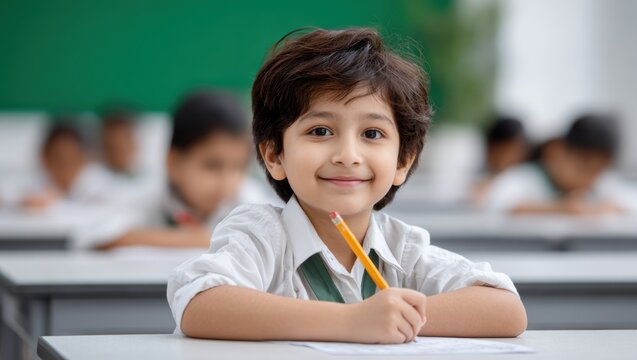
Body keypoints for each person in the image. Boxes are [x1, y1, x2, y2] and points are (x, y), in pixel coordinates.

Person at [168, 28, 526, 344]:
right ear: (275, 154)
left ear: (402, 160)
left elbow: (506, 309)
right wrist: (353, 320)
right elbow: (200, 303)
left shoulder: (403, 249)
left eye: (372, 134)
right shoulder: (260, 235)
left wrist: (395, 318)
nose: (348, 155)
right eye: (320, 131)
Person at [78, 90, 276, 249]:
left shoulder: (249, 199)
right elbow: (90, 237)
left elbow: (275, 238)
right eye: (212, 166)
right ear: (173, 162)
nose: (227, 181)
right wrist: (195, 240)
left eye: (238, 167)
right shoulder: (148, 194)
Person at [486, 113, 625, 215]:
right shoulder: (522, 178)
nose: (588, 178)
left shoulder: (600, 185)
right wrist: (561, 208)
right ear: (556, 151)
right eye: (583, 167)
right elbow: (498, 203)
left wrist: (613, 208)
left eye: (597, 171)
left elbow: (633, 202)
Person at [471, 116, 529, 203]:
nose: (507, 157)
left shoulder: (527, 180)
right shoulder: (475, 178)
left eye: (512, 151)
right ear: (489, 148)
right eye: (502, 151)